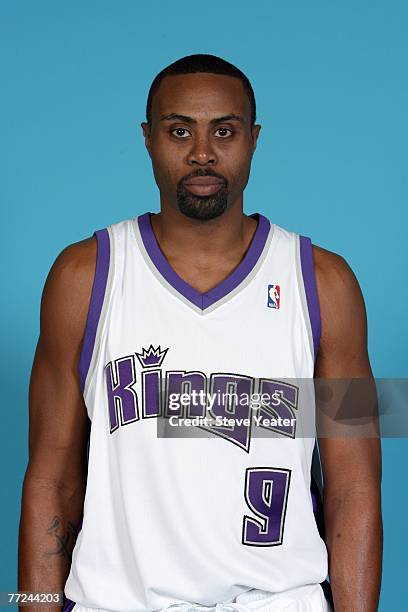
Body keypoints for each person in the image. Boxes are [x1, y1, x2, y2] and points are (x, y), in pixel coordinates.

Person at [18, 54, 382, 612]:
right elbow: (51, 479)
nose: (203, 152)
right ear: (148, 139)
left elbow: (355, 491)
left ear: (254, 139)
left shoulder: (325, 284)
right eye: (180, 130)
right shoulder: (83, 277)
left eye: (225, 131)